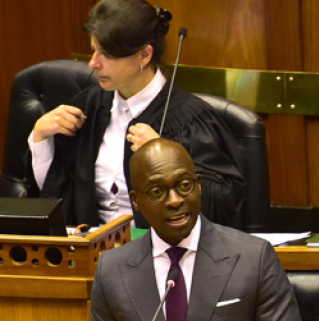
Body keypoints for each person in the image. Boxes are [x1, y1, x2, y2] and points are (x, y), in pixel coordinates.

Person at [87, 138, 310, 321]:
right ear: (136, 200)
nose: (175, 200)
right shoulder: (112, 269)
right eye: (157, 192)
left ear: (199, 185)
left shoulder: (253, 257)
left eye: (184, 186)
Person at [26, 0, 244, 228]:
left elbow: (224, 202)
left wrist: (166, 158)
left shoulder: (190, 119)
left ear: (144, 55)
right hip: (93, 242)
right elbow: (57, 194)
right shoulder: (88, 107)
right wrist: (40, 136)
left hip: (159, 245)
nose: (93, 63)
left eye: (107, 54)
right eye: (93, 50)